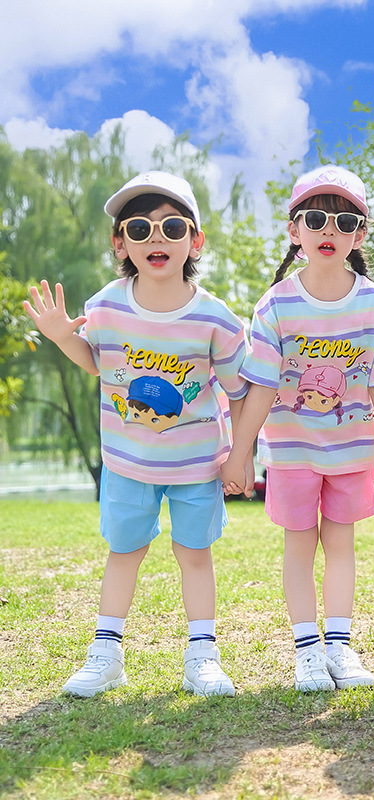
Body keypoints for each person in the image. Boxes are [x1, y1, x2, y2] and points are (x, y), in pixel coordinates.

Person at [23, 171, 249, 697]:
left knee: (195, 554)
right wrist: (61, 337)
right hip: (127, 462)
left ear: (194, 241)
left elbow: (241, 390)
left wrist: (243, 454)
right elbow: (100, 365)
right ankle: (106, 655)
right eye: (140, 228)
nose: (156, 238)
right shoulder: (107, 304)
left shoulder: (216, 318)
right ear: (119, 242)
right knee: (124, 552)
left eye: (172, 227)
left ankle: (202, 657)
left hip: (197, 465)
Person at [221, 165, 374, 692]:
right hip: (291, 453)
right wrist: (241, 455)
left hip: (353, 453)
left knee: (342, 547)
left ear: (360, 234)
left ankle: (341, 647)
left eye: (344, 220)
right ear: (294, 230)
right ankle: (307, 651)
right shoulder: (276, 303)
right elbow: (259, 384)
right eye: (317, 218)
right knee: (300, 547)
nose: (330, 230)